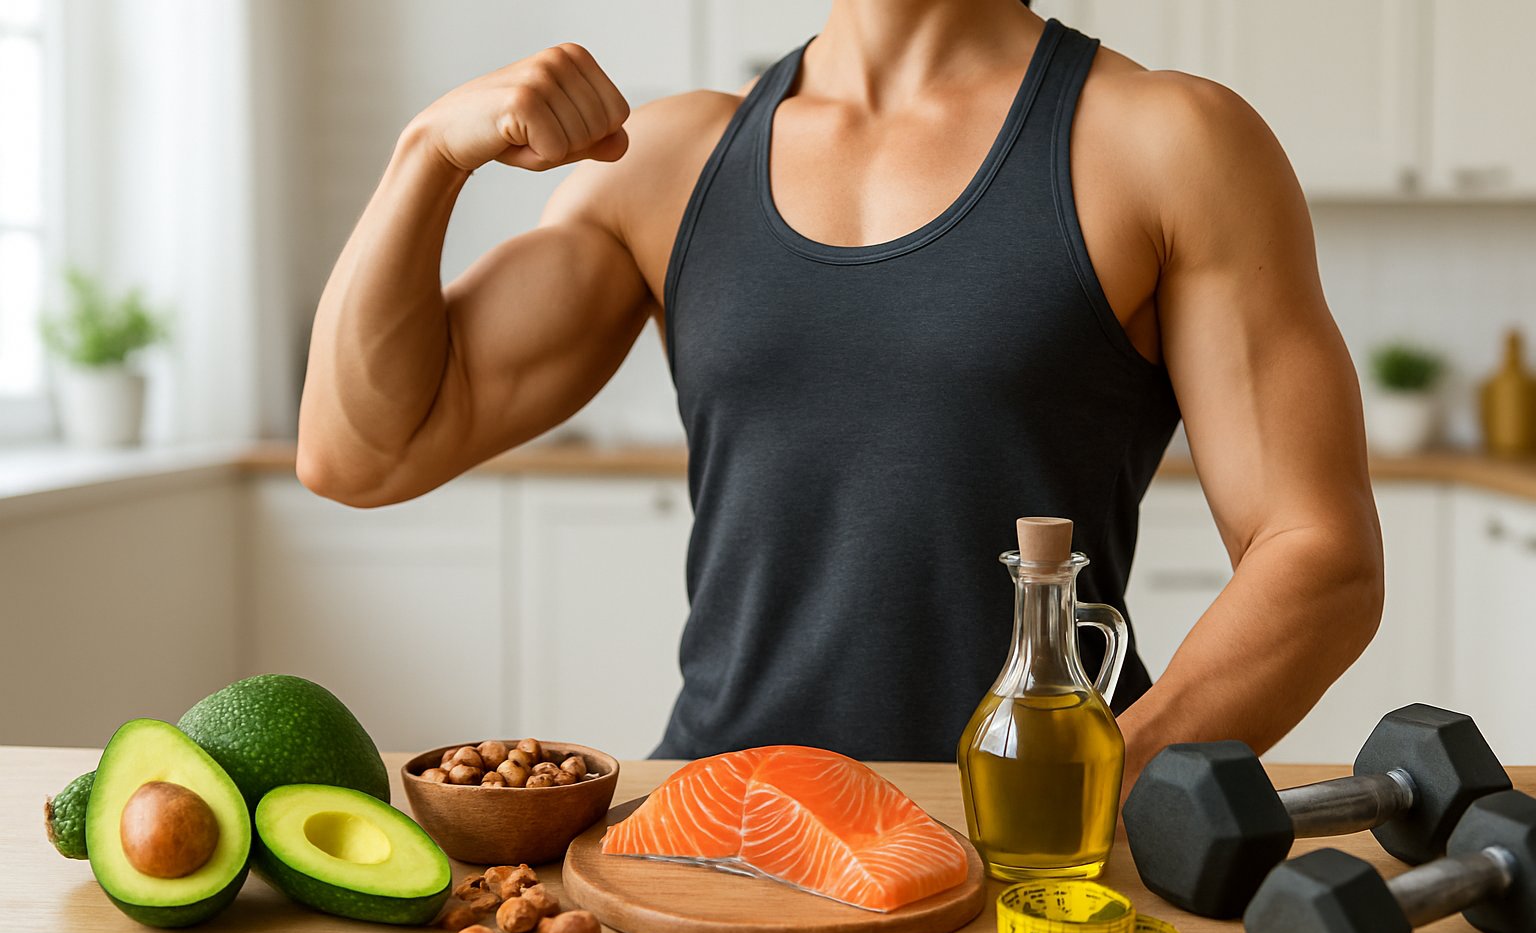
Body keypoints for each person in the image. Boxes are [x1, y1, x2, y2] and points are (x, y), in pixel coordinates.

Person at [298, 0, 1384, 784]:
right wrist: (424, 157)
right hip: (715, 829)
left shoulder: (1167, 142)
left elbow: (1319, 558)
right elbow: (363, 451)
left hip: (1018, 853)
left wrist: (1100, 784)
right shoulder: (669, 159)